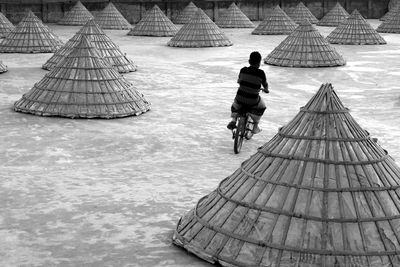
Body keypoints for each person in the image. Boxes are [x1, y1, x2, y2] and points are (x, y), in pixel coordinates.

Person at [227, 51, 269, 134]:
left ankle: (234, 119)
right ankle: (255, 126)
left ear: (249, 61)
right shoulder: (261, 73)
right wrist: (266, 90)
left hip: (240, 98)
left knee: (235, 104)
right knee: (262, 106)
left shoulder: (243, 70)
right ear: (259, 63)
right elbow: (265, 84)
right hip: (252, 101)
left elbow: (239, 81)